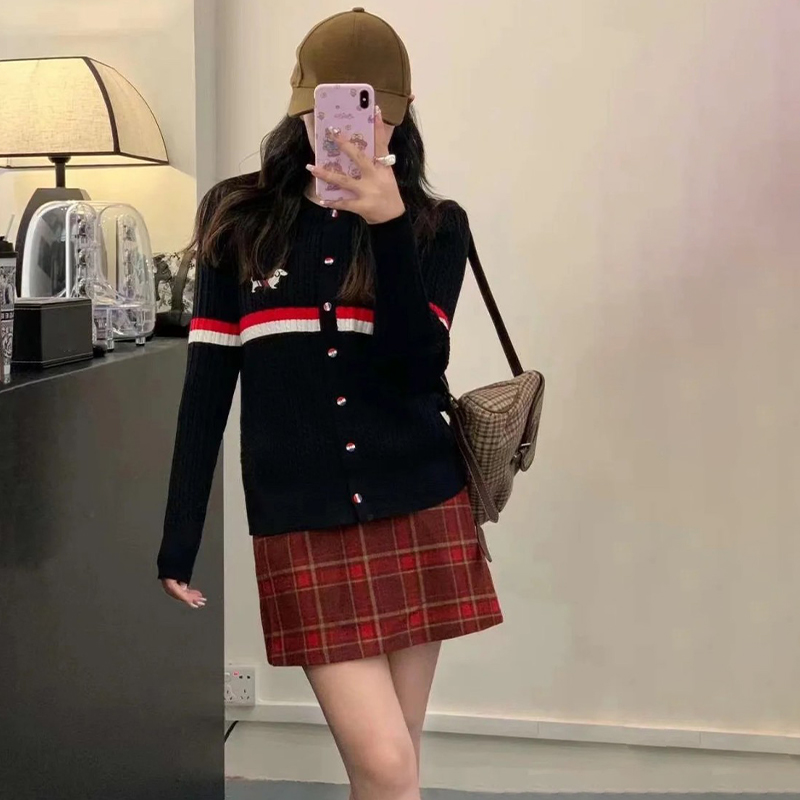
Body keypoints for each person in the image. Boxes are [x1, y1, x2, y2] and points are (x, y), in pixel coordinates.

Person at [156, 8, 502, 800]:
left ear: (398, 117)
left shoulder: (433, 227)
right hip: (302, 522)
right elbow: (207, 383)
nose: (352, 128)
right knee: (387, 765)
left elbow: (417, 370)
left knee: (393, 764)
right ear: (302, 109)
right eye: (333, 109)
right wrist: (180, 536)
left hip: (421, 506)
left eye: (373, 111)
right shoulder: (238, 219)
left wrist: (387, 225)